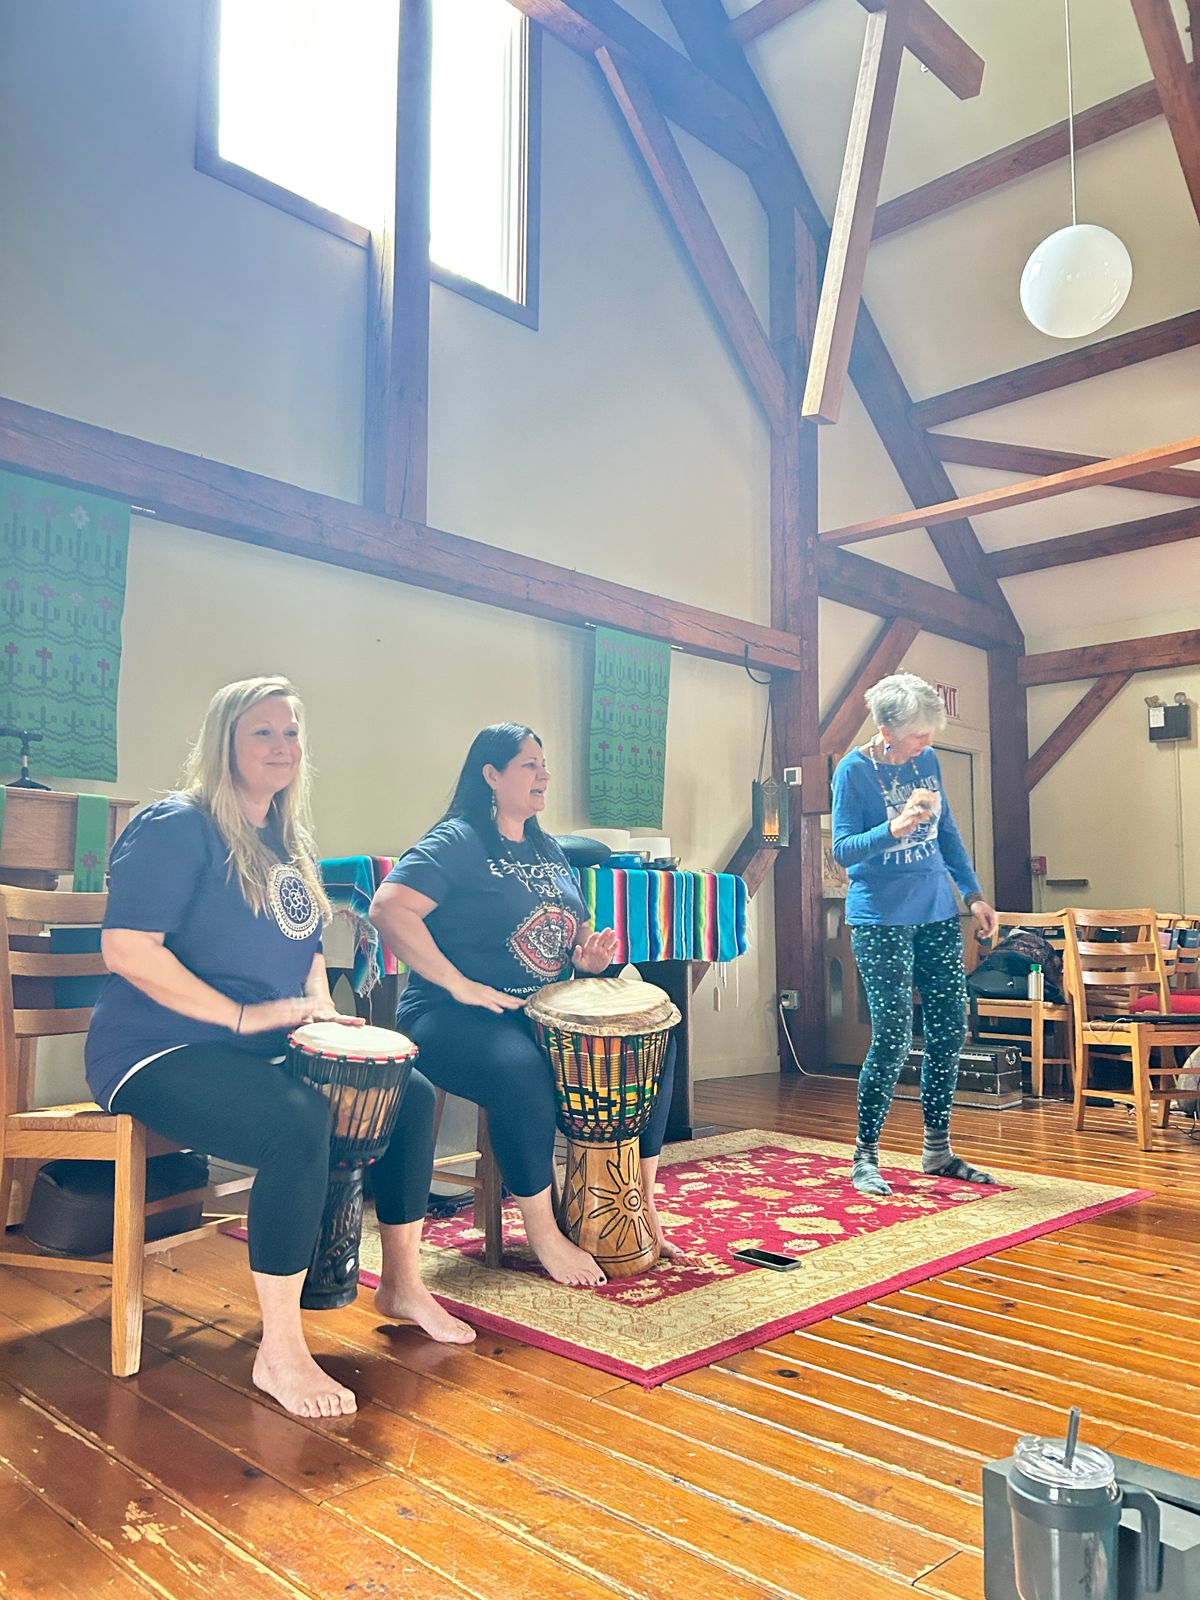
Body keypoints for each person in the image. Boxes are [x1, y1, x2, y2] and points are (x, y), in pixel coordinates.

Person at [86, 677, 472, 1422]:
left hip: (254, 1046)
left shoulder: (284, 840)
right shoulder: (178, 824)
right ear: (224, 741)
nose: (282, 746)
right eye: (262, 731)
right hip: (155, 1050)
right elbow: (128, 949)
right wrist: (238, 1015)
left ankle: (401, 1283)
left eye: (291, 732)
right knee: (296, 1120)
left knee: (409, 1094)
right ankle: (281, 1348)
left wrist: (323, 1014)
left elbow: (304, 951)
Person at [369, 723, 678, 1288]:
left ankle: (640, 1209)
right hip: (449, 1016)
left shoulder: (547, 847)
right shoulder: (458, 841)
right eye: (529, 765)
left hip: (536, 1013)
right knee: (520, 1068)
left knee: (654, 1044)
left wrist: (587, 962)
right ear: (491, 774)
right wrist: (458, 984)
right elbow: (389, 908)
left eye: (544, 764)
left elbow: (572, 931)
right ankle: (544, 1233)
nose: (544, 775)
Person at [830, 673, 1000, 1197]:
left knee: (950, 1027)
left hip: (936, 912)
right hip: (880, 918)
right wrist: (894, 829)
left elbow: (947, 834)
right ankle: (865, 1156)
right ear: (886, 730)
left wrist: (973, 895)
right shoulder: (853, 771)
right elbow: (842, 849)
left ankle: (937, 1150)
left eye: (930, 734)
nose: (926, 743)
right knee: (893, 1037)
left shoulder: (928, 762)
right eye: (918, 735)